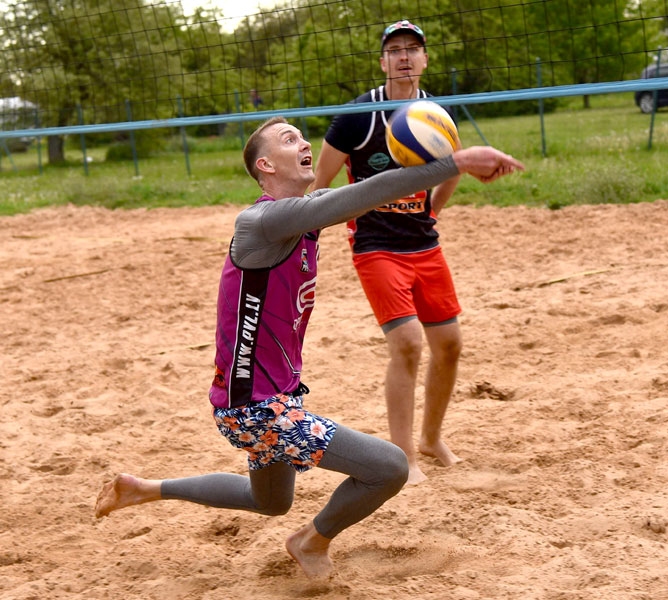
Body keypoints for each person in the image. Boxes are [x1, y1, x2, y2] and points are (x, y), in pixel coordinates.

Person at [93, 116, 524, 580]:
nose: (304, 143)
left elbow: (358, 190)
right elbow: (358, 196)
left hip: (270, 398)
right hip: (254, 408)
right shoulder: (263, 220)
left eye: (302, 135)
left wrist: (438, 168)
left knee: (269, 501)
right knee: (389, 468)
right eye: (289, 138)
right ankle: (310, 542)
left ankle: (142, 489)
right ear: (265, 165)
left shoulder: (303, 211)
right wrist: (452, 162)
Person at [311, 19, 464, 485]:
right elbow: (321, 184)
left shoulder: (436, 115)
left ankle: (431, 439)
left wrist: (431, 212)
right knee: (408, 344)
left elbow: (454, 169)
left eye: (412, 49)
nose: (403, 56)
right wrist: (339, 220)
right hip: (375, 247)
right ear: (382, 61)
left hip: (424, 243)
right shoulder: (358, 115)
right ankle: (404, 459)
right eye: (394, 49)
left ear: (424, 59)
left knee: (450, 345)